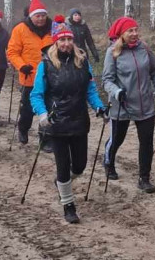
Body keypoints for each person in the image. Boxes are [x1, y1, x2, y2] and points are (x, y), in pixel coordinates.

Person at [30, 25, 107, 223]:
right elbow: (36, 94)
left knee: (80, 166)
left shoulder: (82, 61)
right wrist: (42, 114)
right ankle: (68, 204)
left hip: (80, 120)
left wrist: (99, 107)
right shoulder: (46, 65)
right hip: (56, 123)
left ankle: (61, 184)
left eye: (69, 39)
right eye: (62, 40)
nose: (66, 44)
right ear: (56, 42)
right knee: (63, 166)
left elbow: (90, 90)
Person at [101, 16, 155, 193]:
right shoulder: (112, 52)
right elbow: (107, 80)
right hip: (121, 103)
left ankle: (144, 178)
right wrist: (116, 92)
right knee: (118, 138)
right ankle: (108, 161)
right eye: (130, 31)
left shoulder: (144, 48)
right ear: (122, 34)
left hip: (145, 104)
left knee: (146, 141)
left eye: (136, 30)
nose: (135, 33)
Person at [7, 0, 54, 146]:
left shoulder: (53, 28)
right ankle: (23, 128)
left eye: (43, 15)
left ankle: (45, 139)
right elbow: (12, 52)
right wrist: (21, 66)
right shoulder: (20, 29)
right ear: (31, 16)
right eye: (37, 16)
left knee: (47, 108)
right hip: (30, 76)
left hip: (51, 76)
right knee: (27, 109)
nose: (41, 19)